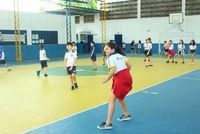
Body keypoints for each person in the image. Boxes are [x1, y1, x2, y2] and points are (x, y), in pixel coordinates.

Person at [97, 41, 133, 130]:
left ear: (112, 49)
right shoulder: (122, 55)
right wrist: (124, 74)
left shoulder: (109, 58)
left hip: (120, 79)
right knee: (120, 98)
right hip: (127, 77)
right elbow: (129, 66)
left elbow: (113, 70)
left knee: (111, 100)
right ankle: (126, 114)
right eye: (105, 49)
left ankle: (108, 124)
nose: (105, 50)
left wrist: (106, 79)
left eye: (107, 49)